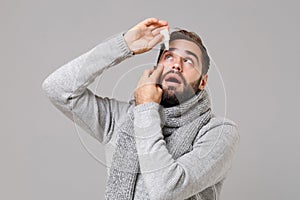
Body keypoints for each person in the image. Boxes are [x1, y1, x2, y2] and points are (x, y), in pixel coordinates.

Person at [42, 18, 239, 200]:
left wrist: (146, 108)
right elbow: (57, 88)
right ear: (156, 68)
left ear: (203, 82)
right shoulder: (121, 119)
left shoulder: (218, 132)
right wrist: (123, 46)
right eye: (169, 57)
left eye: (188, 61)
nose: (176, 65)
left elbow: (165, 190)